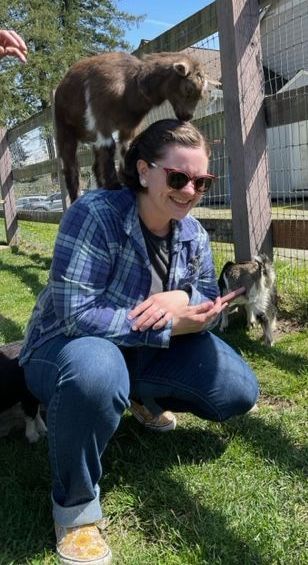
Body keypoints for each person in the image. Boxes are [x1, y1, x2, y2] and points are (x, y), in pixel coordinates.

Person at [19, 119, 259, 565]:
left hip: (138, 351)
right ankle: (75, 509)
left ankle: (140, 397)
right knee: (96, 370)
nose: (190, 191)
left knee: (238, 389)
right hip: (64, 348)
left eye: (202, 182)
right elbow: (76, 315)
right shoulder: (95, 215)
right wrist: (166, 324)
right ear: (144, 170)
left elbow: (207, 297)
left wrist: (183, 298)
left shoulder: (193, 234)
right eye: (178, 177)